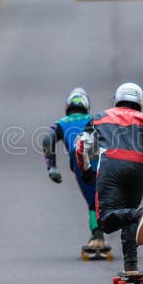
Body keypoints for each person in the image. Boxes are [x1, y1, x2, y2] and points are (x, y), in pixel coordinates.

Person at [75, 82, 143, 274]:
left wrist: (85, 169)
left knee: (106, 221)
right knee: (128, 213)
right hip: (138, 168)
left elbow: (81, 145)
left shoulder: (99, 118)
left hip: (111, 166)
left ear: (117, 99)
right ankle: (131, 266)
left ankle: (137, 214)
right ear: (140, 101)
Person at [41, 88, 103, 249]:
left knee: (92, 202)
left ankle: (97, 237)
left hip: (81, 165)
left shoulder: (61, 123)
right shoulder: (96, 119)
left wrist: (51, 167)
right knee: (106, 198)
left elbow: (47, 139)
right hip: (106, 162)